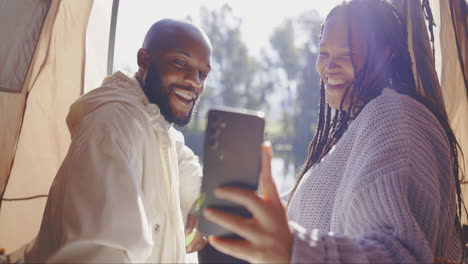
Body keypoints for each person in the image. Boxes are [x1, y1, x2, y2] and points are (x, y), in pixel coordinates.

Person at [202, 0, 465, 263]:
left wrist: (292, 247)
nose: (329, 66)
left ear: (384, 54)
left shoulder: (395, 117)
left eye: (347, 54)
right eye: (324, 53)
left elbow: (398, 254)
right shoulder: (355, 130)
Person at [25, 19, 212, 263]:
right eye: (180, 63)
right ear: (144, 60)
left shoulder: (158, 126)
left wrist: (200, 205)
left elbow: (189, 170)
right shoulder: (113, 124)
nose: (195, 81)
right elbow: (102, 253)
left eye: (203, 73)